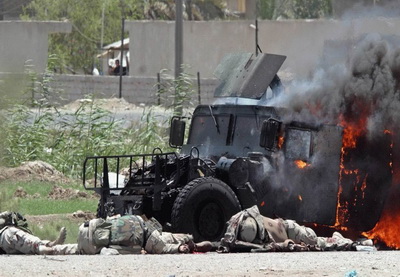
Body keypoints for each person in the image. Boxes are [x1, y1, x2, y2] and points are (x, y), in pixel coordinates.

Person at [218, 205, 375, 253]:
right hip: (286, 232)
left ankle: (349, 242)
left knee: (320, 244)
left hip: (292, 230)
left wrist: (255, 248)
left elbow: (232, 243)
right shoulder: (237, 225)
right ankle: (341, 239)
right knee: (320, 243)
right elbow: (225, 242)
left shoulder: (240, 222)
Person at [74, 214, 213, 255]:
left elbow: (123, 250)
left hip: (148, 240)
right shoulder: (107, 225)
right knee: (167, 237)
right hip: (146, 229)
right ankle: (189, 242)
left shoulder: (104, 244)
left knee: (165, 244)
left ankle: (186, 245)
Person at [0, 211, 68, 255]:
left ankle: (50, 244)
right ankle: (45, 249)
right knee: (22, 238)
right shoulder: (9, 231)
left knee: (26, 243)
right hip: (5, 236)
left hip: (5, 247)